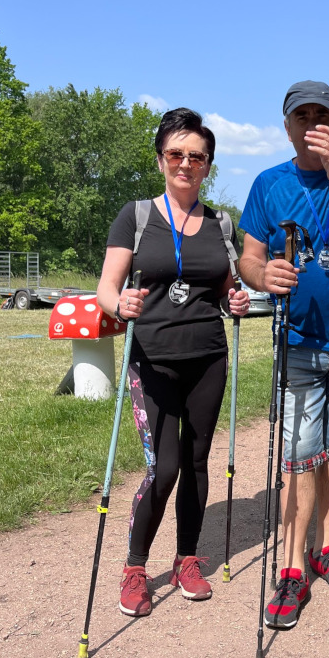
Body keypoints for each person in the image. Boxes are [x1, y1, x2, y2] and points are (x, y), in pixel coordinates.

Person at [239, 81, 329, 629]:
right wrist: (262, 275)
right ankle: (292, 567)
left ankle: (327, 547)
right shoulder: (268, 183)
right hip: (297, 341)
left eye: (321, 115)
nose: (311, 124)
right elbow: (248, 258)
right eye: (300, 115)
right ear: (286, 127)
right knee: (300, 455)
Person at [97, 107, 250, 617]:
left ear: (208, 165)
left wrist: (235, 299)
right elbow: (107, 289)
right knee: (163, 470)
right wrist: (120, 304)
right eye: (176, 154)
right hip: (152, 360)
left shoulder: (221, 223)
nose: (186, 164)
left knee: (197, 462)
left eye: (197, 157)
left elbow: (226, 287)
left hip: (207, 358)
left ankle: (187, 558)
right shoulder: (137, 216)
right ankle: (135, 567)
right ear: (161, 159)